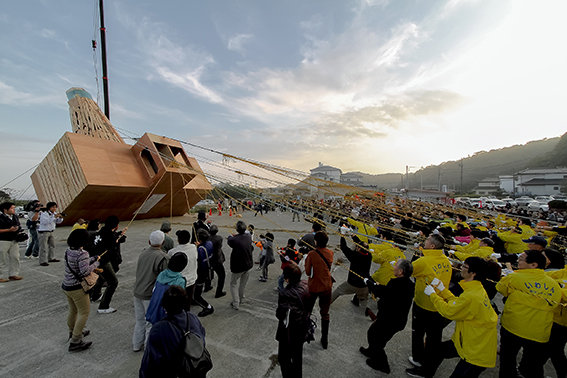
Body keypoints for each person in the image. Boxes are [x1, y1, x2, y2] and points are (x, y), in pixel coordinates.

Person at [408, 257, 498, 378]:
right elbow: (457, 302)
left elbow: (449, 311)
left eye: (464, 266)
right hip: (465, 339)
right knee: (437, 351)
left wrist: (433, 295)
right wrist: (442, 289)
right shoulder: (475, 289)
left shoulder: (473, 296)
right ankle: (425, 372)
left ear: (473, 273)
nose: (461, 268)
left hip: (475, 350)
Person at [497, 250, 561, 378]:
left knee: (507, 359)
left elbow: (501, 289)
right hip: (538, 332)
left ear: (533, 264)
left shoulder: (514, 277)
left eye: (521, 259)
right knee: (532, 365)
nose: (518, 261)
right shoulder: (553, 284)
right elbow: (554, 304)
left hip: (513, 327)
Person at [140, 285, 206, 378]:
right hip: (194, 368)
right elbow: (202, 335)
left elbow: (149, 362)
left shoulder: (158, 329)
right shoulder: (192, 317)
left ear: (164, 306)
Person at [360, 259, 415, 373]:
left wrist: (369, 284)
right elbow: (389, 291)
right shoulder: (408, 284)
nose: (393, 267)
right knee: (374, 334)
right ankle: (371, 351)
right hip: (395, 319)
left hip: (390, 320)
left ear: (400, 271)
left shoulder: (396, 284)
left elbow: (382, 293)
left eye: (395, 266)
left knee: (376, 339)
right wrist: (377, 285)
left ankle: (382, 364)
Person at [408, 234, 452, 370]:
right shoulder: (446, 261)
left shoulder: (424, 261)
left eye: (427, 240)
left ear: (432, 246)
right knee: (433, 336)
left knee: (418, 333)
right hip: (439, 304)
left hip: (424, 304)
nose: (425, 241)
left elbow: (406, 270)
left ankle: (418, 358)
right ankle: (430, 359)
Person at [62, 229, 100, 352]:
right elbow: (84, 271)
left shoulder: (69, 251)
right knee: (84, 312)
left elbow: (78, 264)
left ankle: (72, 332)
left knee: (73, 311)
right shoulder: (83, 253)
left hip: (67, 285)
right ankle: (76, 341)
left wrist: (93, 258)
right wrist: (96, 264)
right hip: (78, 287)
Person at [132, 230, 170, 352]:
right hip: (149, 295)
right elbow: (165, 278)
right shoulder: (163, 257)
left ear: (149, 241)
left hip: (137, 291)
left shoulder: (143, 253)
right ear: (163, 242)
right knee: (150, 322)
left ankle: (136, 345)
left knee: (139, 321)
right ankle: (149, 348)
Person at [276, 262, 311, 378]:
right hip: (302, 327)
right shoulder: (305, 285)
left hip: (289, 332)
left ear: (287, 279)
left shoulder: (285, 293)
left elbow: (280, 314)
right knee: (297, 358)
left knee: (284, 359)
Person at [89, 215, 127, 313]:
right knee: (113, 282)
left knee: (101, 277)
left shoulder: (102, 231)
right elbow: (115, 244)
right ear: (116, 225)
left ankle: (96, 295)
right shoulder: (110, 236)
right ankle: (104, 306)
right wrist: (122, 236)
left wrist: (120, 234)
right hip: (102, 261)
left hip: (95, 259)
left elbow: (113, 238)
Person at [304, 230, 334, 349]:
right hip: (327, 286)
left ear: (316, 241)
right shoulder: (330, 253)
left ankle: (305, 333)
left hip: (314, 286)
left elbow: (307, 272)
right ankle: (324, 339)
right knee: (325, 313)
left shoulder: (312, 254)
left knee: (307, 311)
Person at [330, 236, 372, 314]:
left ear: (359, 249)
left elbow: (344, 247)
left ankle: (327, 303)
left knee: (338, 290)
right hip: (364, 285)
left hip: (352, 283)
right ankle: (366, 310)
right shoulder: (369, 255)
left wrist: (342, 236)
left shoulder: (354, 256)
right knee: (363, 299)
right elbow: (362, 245)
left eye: (357, 247)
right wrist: (354, 237)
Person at [145, 252, 188, 325]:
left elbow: (154, 290)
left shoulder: (162, 274)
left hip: (153, 311)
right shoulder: (180, 280)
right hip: (167, 316)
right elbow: (179, 302)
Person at [167, 230, 198, 308]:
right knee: (187, 304)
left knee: (177, 305)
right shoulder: (193, 247)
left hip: (179, 282)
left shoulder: (172, 252)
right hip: (191, 280)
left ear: (178, 240)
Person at [227, 220, 254, 310]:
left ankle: (236, 303)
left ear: (237, 229)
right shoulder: (248, 236)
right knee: (243, 283)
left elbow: (230, 240)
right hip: (248, 265)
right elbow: (239, 238)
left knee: (233, 284)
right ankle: (241, 298)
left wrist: (232, 236)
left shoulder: (234, 240)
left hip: (238, 267)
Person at [0, 202, 23, 282]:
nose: (14, 209)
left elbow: (19, 225)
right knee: (1, 259)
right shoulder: (1, 217)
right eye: (12, 208)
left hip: (14, 239)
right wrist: (9, 230)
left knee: (15, 257)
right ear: (5, 210)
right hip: (3, 240)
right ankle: (0, 276)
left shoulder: (15, 216)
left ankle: (13, 274)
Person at [194, 229, 214, 317]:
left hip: (201, 272)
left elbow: (198, 262)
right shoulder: (209, 243)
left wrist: (198, 247)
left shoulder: (200, 250)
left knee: (196, 295)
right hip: (208, 269)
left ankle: (208, 307)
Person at [37, 201, 64, 266]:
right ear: (49, 208)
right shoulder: (44, 214)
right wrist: (54, 217)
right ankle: (42, 261)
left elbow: (58, 222)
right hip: (44, 231)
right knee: (43, 247)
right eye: (53, 207)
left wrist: (60, 218)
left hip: (51, 231)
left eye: (55, 207)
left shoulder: (54, 214)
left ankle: (51, 257)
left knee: (52, 245)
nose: (54, 209)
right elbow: (45, 222)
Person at [208, 224, 227, 298]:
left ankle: (207, 287)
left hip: (209, 259)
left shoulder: (207, 238)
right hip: (217, 260)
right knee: (222, 276)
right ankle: (219, 292)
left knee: (208, 272)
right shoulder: (219, 238)